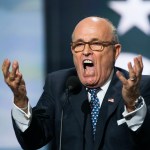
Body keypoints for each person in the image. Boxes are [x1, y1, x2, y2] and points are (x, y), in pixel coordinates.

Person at [2, 16, 150, 150]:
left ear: (115, 51)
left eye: (96, 44)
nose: (86, 51)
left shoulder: (139, 88)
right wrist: (21, 101)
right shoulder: (60, 84)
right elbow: (33, 140)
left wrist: (132, 104)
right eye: (79, 45)